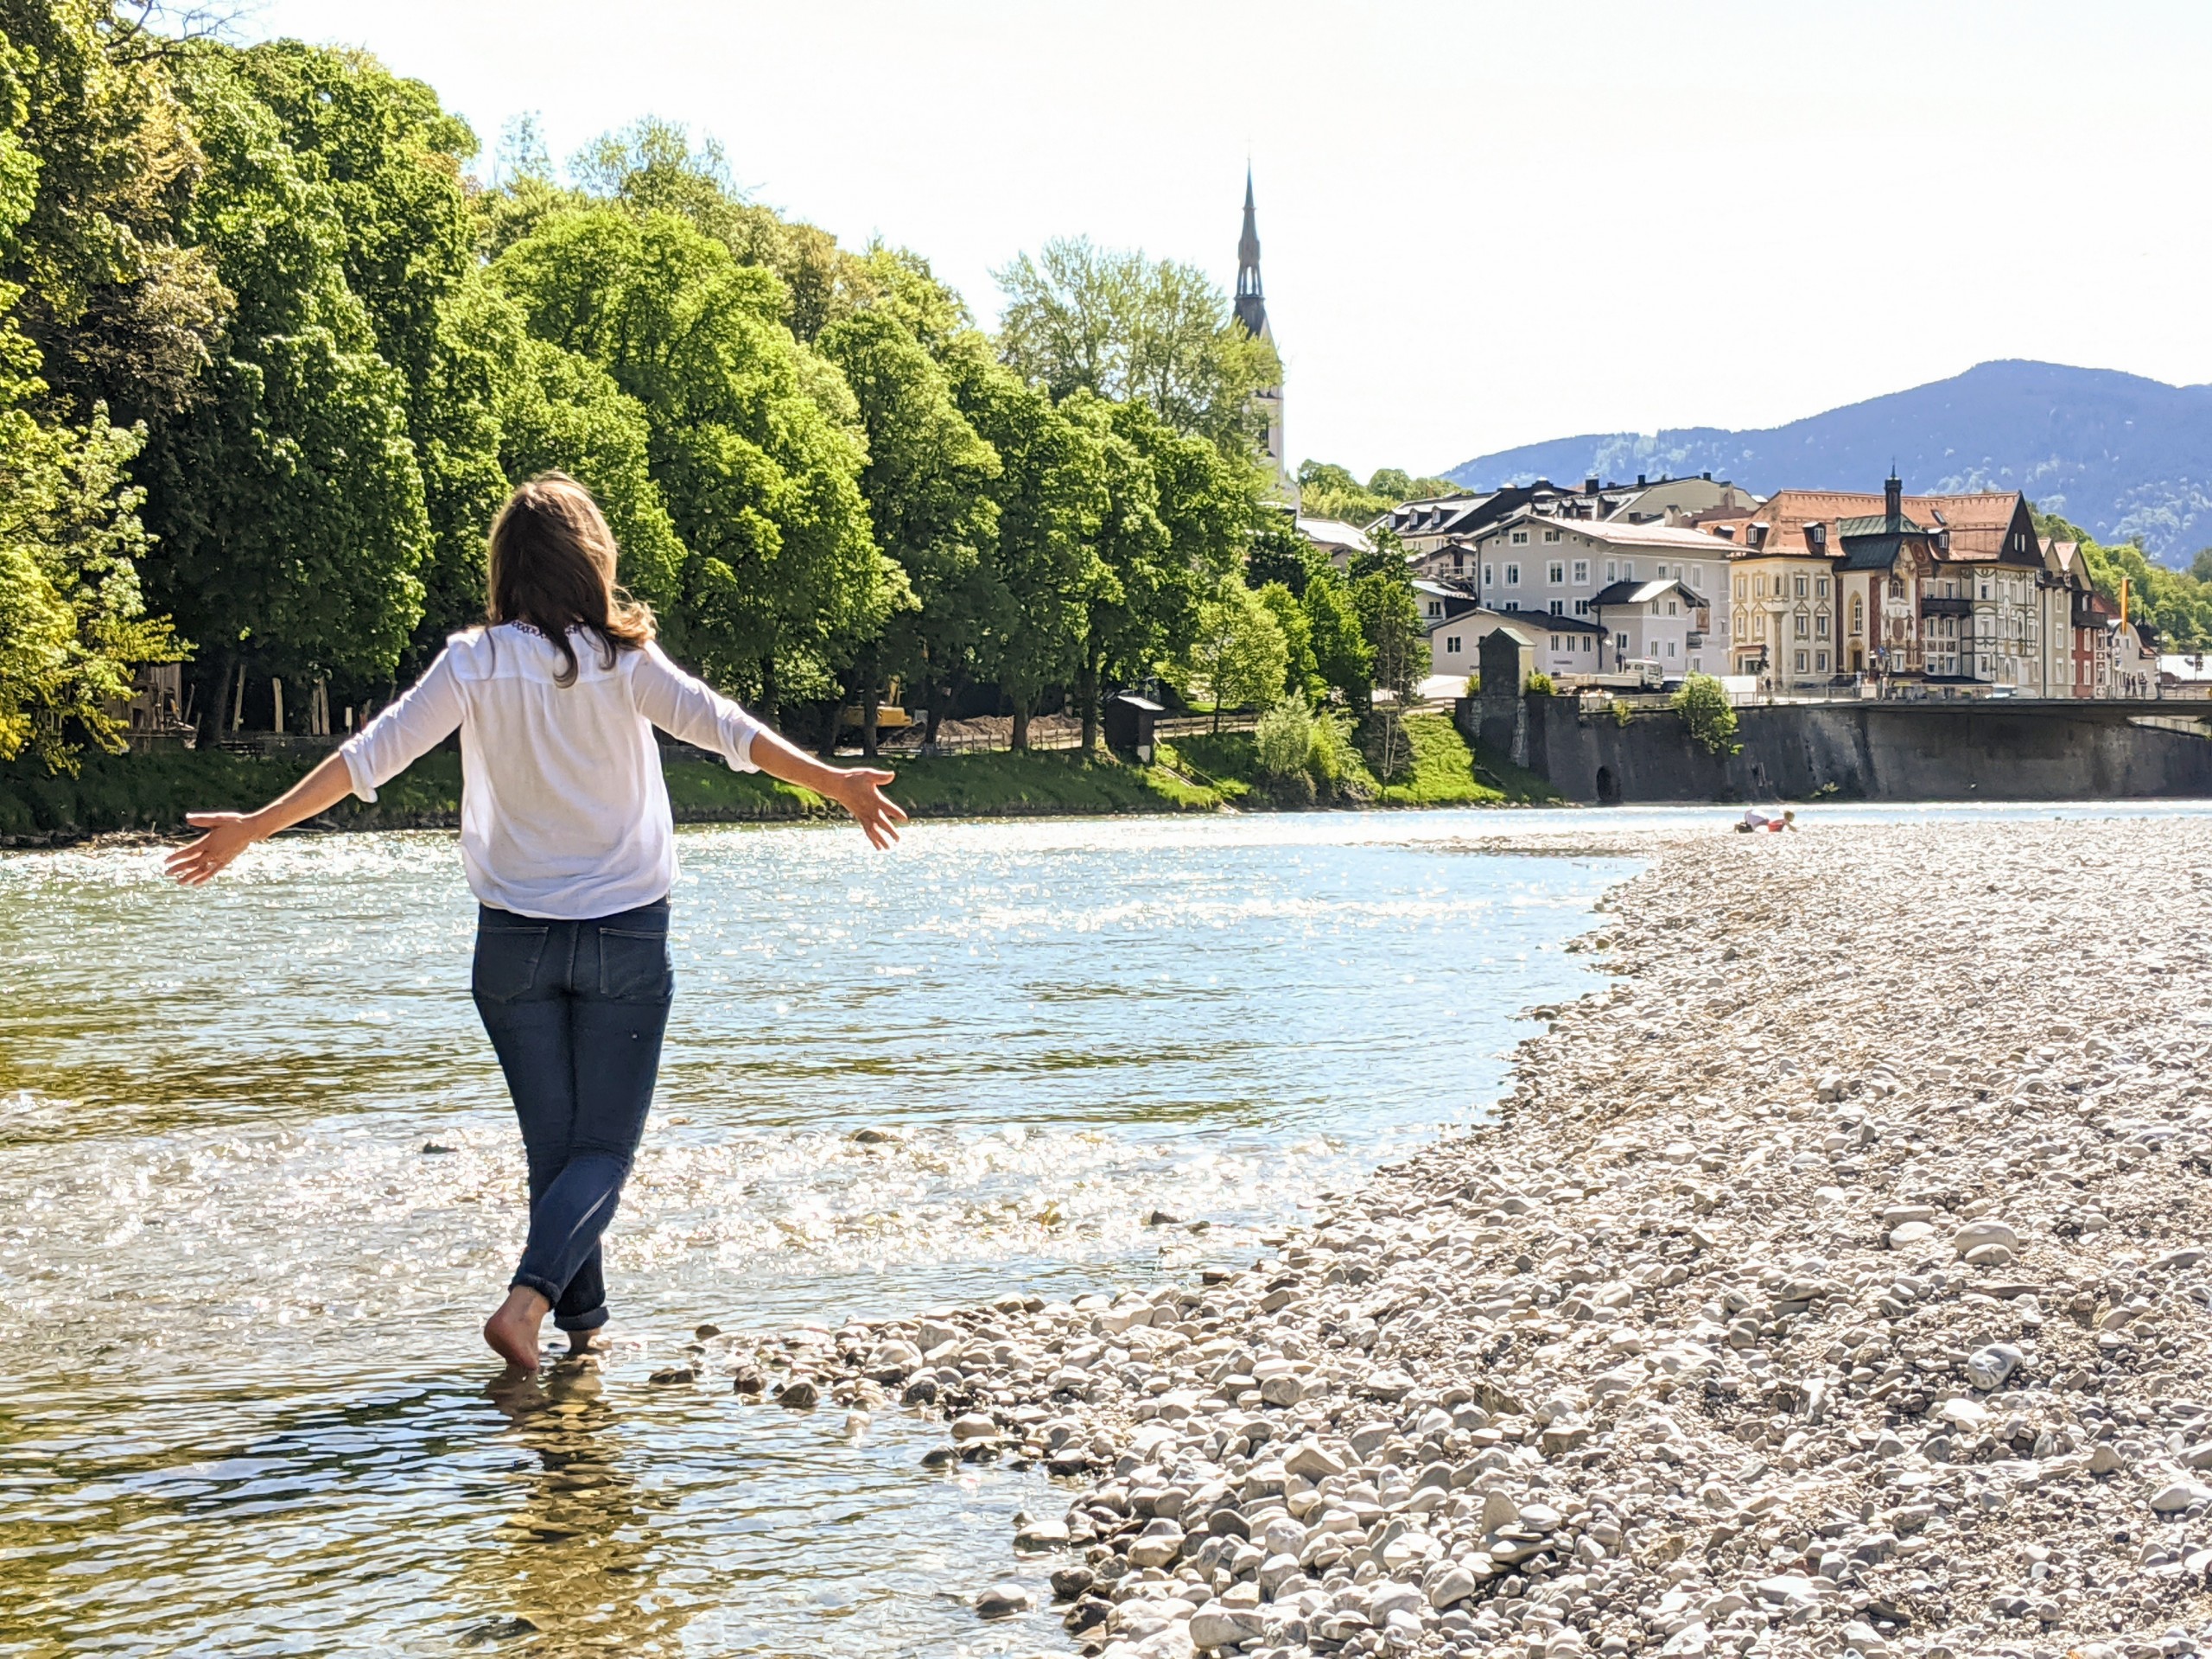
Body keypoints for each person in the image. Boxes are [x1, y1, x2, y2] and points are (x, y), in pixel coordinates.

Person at [163, 473, 906, 1375]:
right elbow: (729, 732)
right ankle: (527, 1305)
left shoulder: (473, 661)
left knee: (554, 1151)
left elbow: (371, 756)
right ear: (592, 562)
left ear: (506, 569)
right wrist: (838, 783)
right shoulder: (623, 660)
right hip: (625, 933)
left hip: (511, 943)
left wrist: (255, 827)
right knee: (601, 1153)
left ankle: (581, 1331)